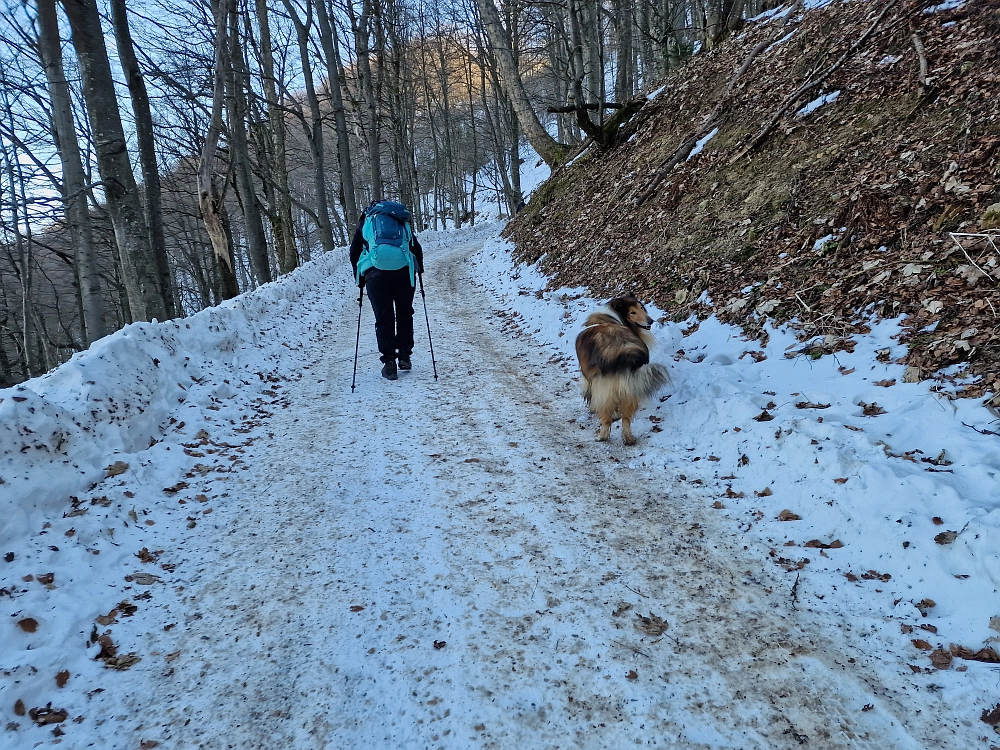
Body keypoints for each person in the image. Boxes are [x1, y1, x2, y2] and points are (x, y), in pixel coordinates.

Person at [349, 200, 424, 381]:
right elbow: (415, 247)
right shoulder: (400, 221)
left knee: (384, 317)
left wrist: (359, 277)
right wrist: (419, 270)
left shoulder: (367, 221)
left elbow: (354, 251)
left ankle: (389, 363)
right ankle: (405, 355)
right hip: (404, 273)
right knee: (405, 312)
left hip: (375, 275)